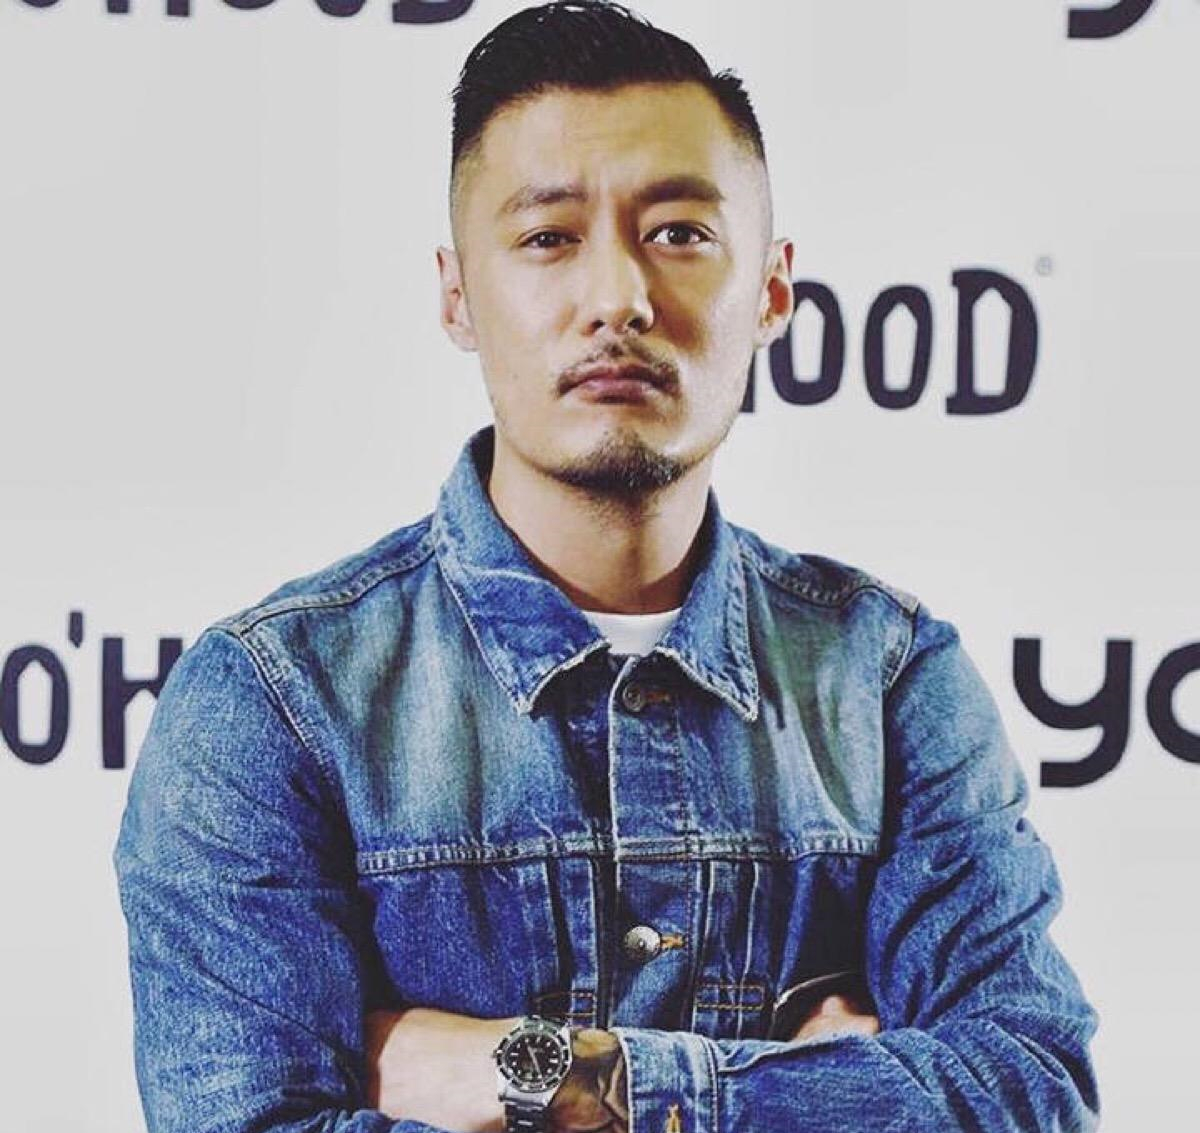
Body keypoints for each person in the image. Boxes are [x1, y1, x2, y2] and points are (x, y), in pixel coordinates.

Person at [112, 3, 1100, 1132]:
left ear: (772, 289)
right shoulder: (276, 701)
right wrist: (818, 1090)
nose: (619, 298)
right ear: (457, 296)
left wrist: (563, 1075)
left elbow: (1031, 1091)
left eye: (678, 232)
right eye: (548, 238)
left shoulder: (886, 677)